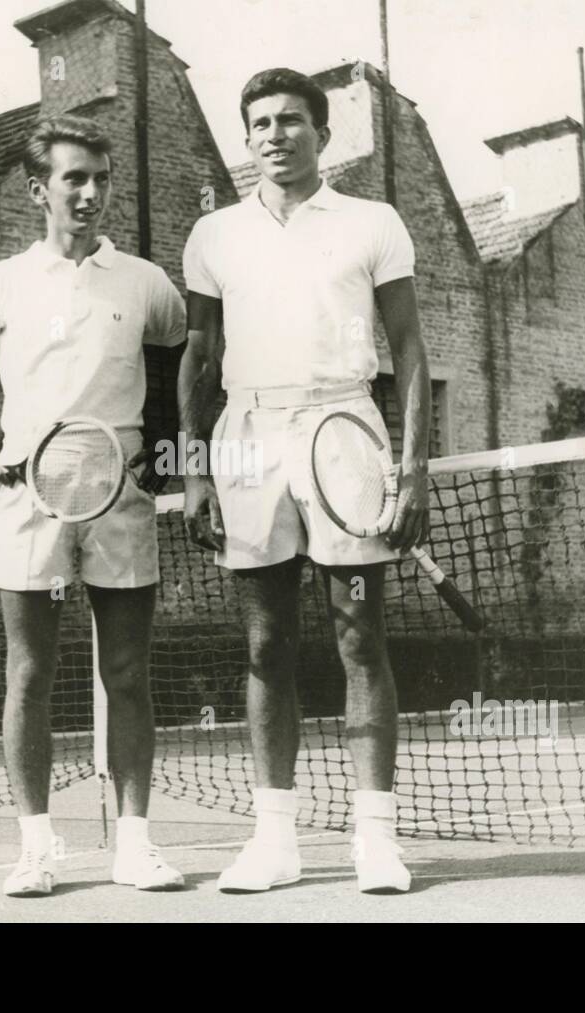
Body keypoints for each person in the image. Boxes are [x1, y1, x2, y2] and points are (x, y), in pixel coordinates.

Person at [0, 115, 186, 897]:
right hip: (27, 496)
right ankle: (36, 848)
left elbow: (189, 361)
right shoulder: (0, 283)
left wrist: (170, 449)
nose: (91, 193)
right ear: (38, 190)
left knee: (127, 671)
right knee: (29, 673)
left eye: (102, 178)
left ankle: (135, 846)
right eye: (74, 179)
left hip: (121, 496)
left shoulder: (145, 282)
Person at [179, 68, 431, 894]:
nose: (275, 134)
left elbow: (410, 348)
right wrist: (195, 468)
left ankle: (376, 840)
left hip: (343, 428)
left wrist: (413, 469)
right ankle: (274, 841)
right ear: (247, 138)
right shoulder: (214, 235)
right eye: (260, 123)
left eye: (291, 120)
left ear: (322, 133)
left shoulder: (373, 222)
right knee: (265, 643)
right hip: (248, 437)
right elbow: (200, 354)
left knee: (359, 637)